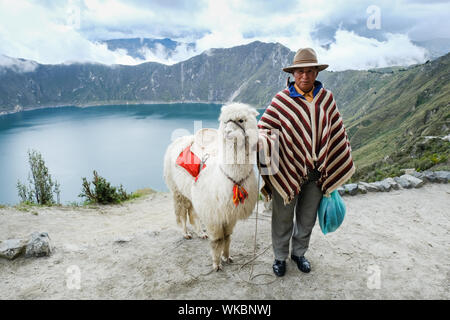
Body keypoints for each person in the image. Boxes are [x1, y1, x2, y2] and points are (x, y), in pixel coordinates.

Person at [257, 48, 355, 277]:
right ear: (293, 74)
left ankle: (299, 253)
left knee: (307, 218)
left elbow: (337, 132)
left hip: (317, 173)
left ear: (316, 73)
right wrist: (259, 142)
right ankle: (280, 257)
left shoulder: (327, 99)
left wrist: (335, 160)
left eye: (309, 71)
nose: (304, 76)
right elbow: (265, 129)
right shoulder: (281, 101)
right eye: (300, 71)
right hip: (287, 170)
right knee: (282, 217)